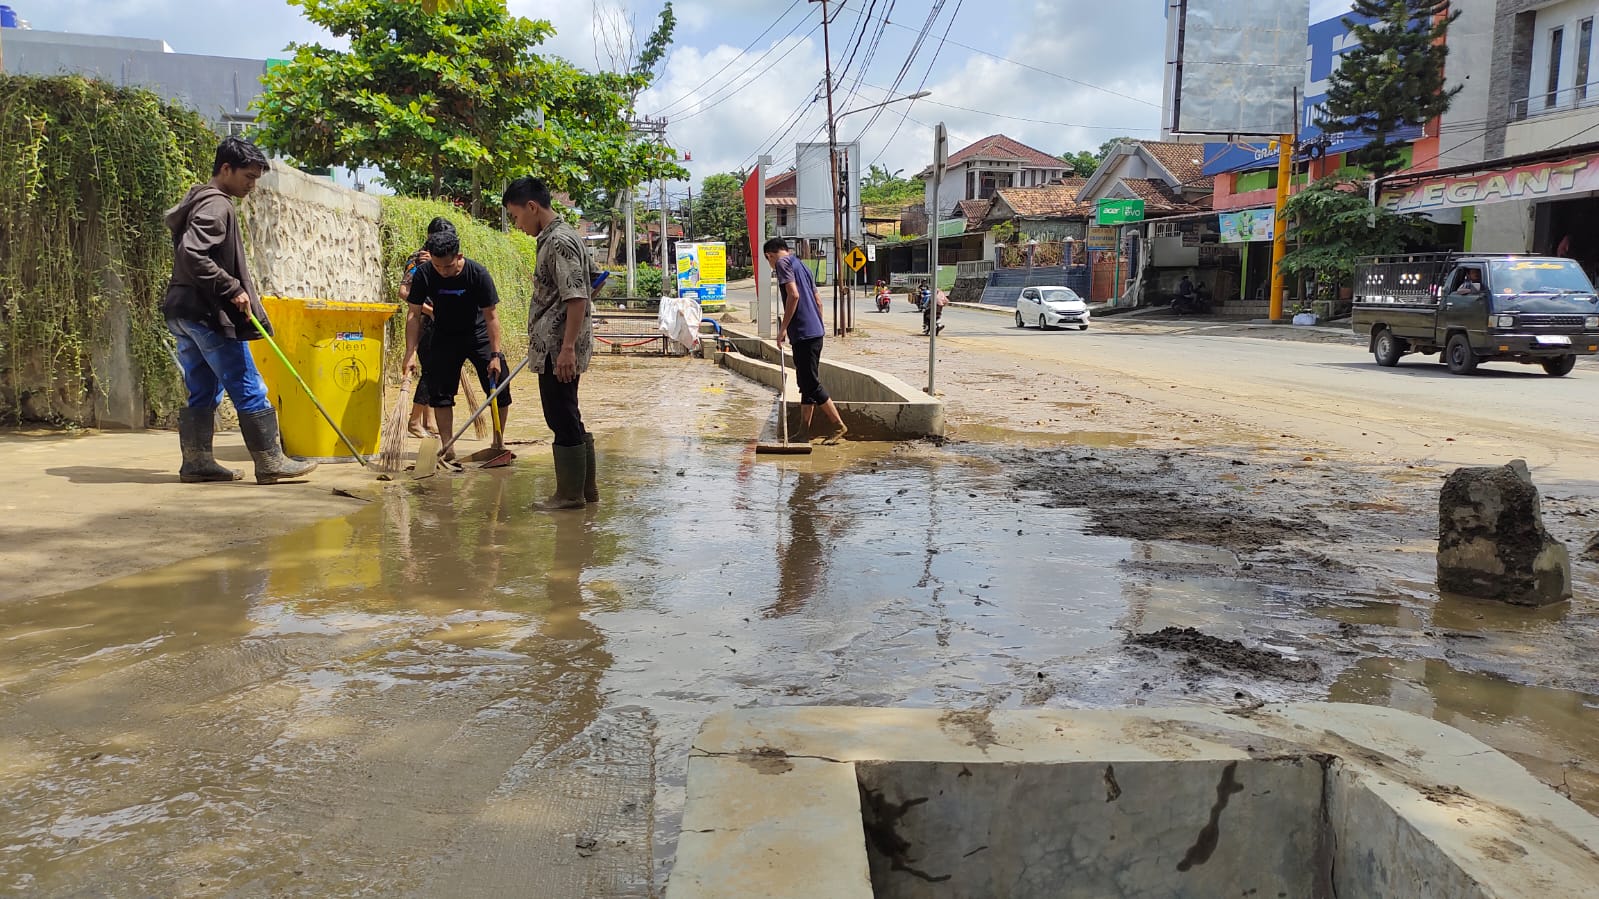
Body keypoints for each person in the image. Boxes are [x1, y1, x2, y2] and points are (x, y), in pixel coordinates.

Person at [162, 136, 317, 485]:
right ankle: (270, 461)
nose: (252, 185)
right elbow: (192, 254)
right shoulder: (217, 205)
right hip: (207, 314)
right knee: (247, 383)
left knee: (202, 387)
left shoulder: (199, 200)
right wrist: (232, 288)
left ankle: (197, 462)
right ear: (226, 169)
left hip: (183, 311)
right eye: (248, 176)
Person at [503, 176, 599, 511]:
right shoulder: (561, 237)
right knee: (568, 413)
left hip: (558, 348)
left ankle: (570, 495)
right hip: (555, 345)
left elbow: (576, 296)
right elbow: (594, 281)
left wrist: (568, 347)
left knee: (560, 416)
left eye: (516, 216)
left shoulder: (558, 241)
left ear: (532, 207)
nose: (518, 224)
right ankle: (585, 491)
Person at [402, 228, 509, 462]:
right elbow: (413, 314)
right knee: (440, 393)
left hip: (478, 334)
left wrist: (495, 354)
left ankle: (498, 442)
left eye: (448, 267)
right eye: (438, 267)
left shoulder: (477, 273)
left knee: (499, 387)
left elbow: (492, 317)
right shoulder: (425, 273)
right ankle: (448, 445)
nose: (443, 272)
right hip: (444, 334)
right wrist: (410, 353)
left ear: (459, 256)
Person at [764, 237, 847, 444]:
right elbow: (818, 302)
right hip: (815, 332)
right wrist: (817, 325)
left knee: (810, 383)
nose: (771, 264)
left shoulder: (783, 264)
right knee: (805, 384)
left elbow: (793, 295)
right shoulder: (802, 265)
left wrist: (783, 329)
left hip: (803, 333)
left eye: (768, 260)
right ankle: (803, 432)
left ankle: (838, 425)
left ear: (770, 255)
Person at [399, 217, 456, 438]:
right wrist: (429, 311)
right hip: (425, 322)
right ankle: (414, 421)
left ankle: (429, 421)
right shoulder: (417, 260)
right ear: (430, 237)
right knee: (432, 372)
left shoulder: (444, 256)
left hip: (441, 322)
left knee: (436, 371)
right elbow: (404, 292)